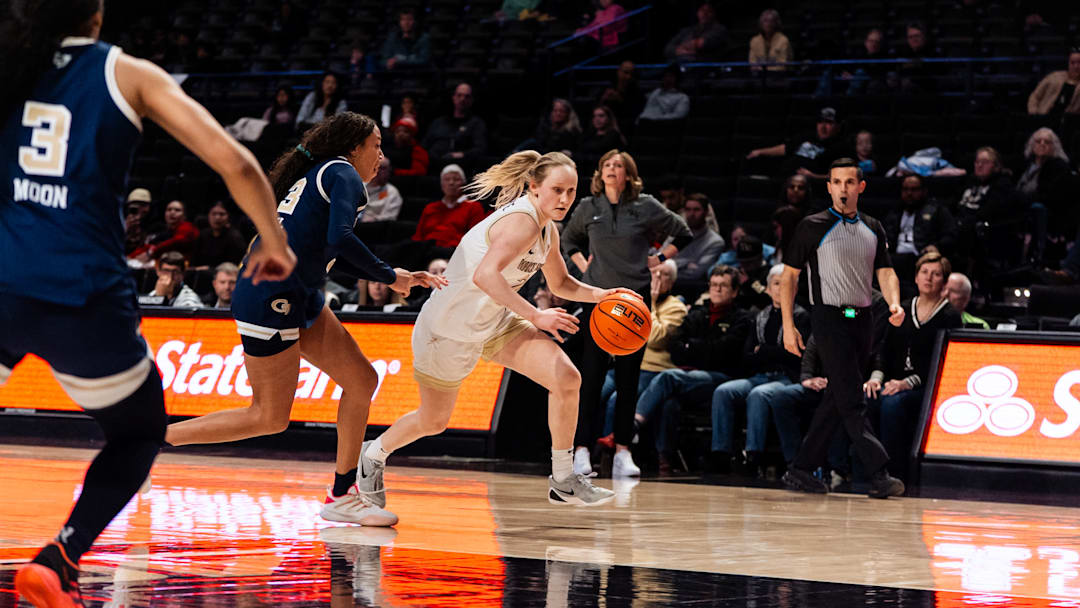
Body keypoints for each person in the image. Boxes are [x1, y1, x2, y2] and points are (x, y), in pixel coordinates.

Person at [2, 2, 296, 604]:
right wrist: (273, 240)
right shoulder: (128, 73)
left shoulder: (9, 63)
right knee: (139, 432)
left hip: (4, 279)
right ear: (99, 13)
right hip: (81, 295)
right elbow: (235, 160)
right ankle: (61, 556)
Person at [164, 113, 444, 527]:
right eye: (376, 145)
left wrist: (389, 273)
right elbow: (341, 240)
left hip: (299, 291)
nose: (382, 155)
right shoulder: (343, 173)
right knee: (269, 417)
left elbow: (331, 250)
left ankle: (342, 493)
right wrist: (391, 275)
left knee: (362, 380)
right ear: (353, 147)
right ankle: (149, 441)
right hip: (270, 295)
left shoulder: (322, 174)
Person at [357, 151, 641, 509]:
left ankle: (564, 478)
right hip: (446, 329)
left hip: (493, 321)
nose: (565, 199)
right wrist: (537, 317)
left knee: (567, 378)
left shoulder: (546, 228)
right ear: (534, 187)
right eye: (557, 190)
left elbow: (562, 282)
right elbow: (485, 275)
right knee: (433, 421)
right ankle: (373, 453)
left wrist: (603, 294)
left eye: (571, 191)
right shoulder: (520, 221)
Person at [779, 158, 907, 499]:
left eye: (850, 182)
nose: (844, 189)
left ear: (861, 187)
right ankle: (879, 473)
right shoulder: (811, 226)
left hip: (863, 318)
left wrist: (894, 303)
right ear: (829, 187)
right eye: (837, 182)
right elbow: (789, 276)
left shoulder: (873, 226)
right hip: (828, 317)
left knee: (838, 396)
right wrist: (788, 326)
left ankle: (801, 469)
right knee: (852, 397)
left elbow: (886, 272)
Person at [561, 150, 692, 477]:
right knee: (589, 381)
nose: (611, 169)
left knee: (628, 381)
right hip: (598, 302)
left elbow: (683, 231)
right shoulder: (588, 207)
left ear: (629, 175)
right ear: (599, 172)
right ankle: (581, 451)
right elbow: (568, 241)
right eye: (606, 164)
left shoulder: (645, 205)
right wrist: (582, 266)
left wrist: (659, 259)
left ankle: (622, 451)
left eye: (618, 166)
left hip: (634, 302)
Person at [632, 265, 752, 472]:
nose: (717, 290)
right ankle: (664, 459)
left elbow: (726, 353)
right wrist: (702, 349)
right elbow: (675, 350)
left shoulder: (742, 318)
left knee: (668, 377)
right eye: (714, 285)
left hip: (723, 377)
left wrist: (694, 348)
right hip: (691, 379)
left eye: (723, 286)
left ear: (734, 291)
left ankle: (633, 424)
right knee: (668, 402)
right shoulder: (698, 314)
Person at [865, 252, 961, 483]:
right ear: (916, 278)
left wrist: (907, 382)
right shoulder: (902, 310)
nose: (929, 278)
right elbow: (883, 349)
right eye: (924, 273)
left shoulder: (950, 316)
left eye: (936, 274)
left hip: (927, 387)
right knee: (865, 398)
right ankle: (860, 471)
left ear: (944, 282)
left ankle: (892, 473)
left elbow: (945, 362)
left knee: (892, 404)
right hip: (892, 381)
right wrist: (876, 378)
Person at [711, 264, 810, 475]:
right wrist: (770, 352)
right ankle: (721, 454)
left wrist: (764, 351)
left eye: (786, 284)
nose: (780, 288)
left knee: (759, 394)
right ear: (767, 289)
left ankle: (752, 457)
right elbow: (747, 356)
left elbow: (795, 357)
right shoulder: (759, 316)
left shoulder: (801, 317)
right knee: (724, 391)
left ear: (795, 288)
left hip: (786, 378)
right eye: (776, 284)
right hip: (759, 375)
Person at [883, 174, 956, 294]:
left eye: (914, 189)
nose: (909, 193)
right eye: (905, 189)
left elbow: (951, 234)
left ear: (924, 191)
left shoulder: (936, 210)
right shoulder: (895, 212)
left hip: (921, 257)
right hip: (895, 257)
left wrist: (937, 246)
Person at [747, 107, 848, 179]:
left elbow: (842, 175)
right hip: (784, 175)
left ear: (838, 126)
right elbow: (785, 148)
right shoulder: (807, 136)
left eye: (829, 123)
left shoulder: (840, 147)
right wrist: (760, 151)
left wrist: (814, 177)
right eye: (820, 122)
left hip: (807, 184)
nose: (823, 126)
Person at [411, 164, 488, 248]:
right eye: (447, 179)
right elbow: (418, 236)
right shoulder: (430, 208)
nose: (451, 183)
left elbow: (474, 239)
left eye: (456, 179)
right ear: (442, 185)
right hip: (426, 249)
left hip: (453, 251)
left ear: (463, 184)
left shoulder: (473, 207)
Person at [422, 82, 488, 173]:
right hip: (434, 166)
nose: (462, 99)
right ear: (453, 97)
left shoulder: (476, 124)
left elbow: (480, 149)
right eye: (459, 95)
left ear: (472, 100)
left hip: (461, 167)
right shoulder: (439, 122)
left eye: (467, 96)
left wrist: (462, 154)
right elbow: (424, 145)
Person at [672, 193, 724, 296]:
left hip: (690, 292)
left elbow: (695, 273)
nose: (691, 214)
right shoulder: (675, 233)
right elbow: (659, 259)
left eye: (696, 210)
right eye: (688, 209)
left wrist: (670, 264)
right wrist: (686, 263)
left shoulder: (715, 242)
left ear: (706, 212)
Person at [128, 199, 199, 263]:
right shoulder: (164, 231)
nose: (172, 212)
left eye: (177, 210)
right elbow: (150, 247)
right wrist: (130, 257)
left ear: (184, 216)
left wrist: (151, 252)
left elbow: (178, 241)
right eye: (169, 209)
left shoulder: (187, 227)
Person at [664, 2, 728, 62]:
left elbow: (700, 44)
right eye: (702, 10)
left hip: (705, 67)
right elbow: (668, 48)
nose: (705, 14)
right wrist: (680, 51)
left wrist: (681, 47)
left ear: (714, 14)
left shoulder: (719, 29)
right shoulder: (687, 30)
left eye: (709, 11)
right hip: (681, 66)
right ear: (697, 12)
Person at [191, 201, 247, 270]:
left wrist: (209, 268)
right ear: (208, 216)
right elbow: (194, 261)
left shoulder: (235, 238)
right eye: (214, 214)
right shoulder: (203, 235)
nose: (217, 217)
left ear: (228, 217)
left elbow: (236, 265)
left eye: (222, 214)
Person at [1027, 48, 1080, 117]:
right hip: (1043, 118)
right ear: (1068, 63)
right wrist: (1034, 114)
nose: (1076, 66)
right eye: (1072, 63)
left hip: (1068, 124)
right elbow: (1035, 96)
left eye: (1079, 62)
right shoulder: (1054, 77)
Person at [577, 105, 626, 170]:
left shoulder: (614, 135)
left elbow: (599, 150)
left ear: (609, 118)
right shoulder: (589, 134)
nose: (597, 119)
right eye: (594, 116)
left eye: (601, 116)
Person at [362, 157, 403, 223]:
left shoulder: (392, 192)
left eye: (383, 168)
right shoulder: (360, 186)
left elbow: (390, 218)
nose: (378, 171)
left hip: (373, 228)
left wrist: (373, 219)